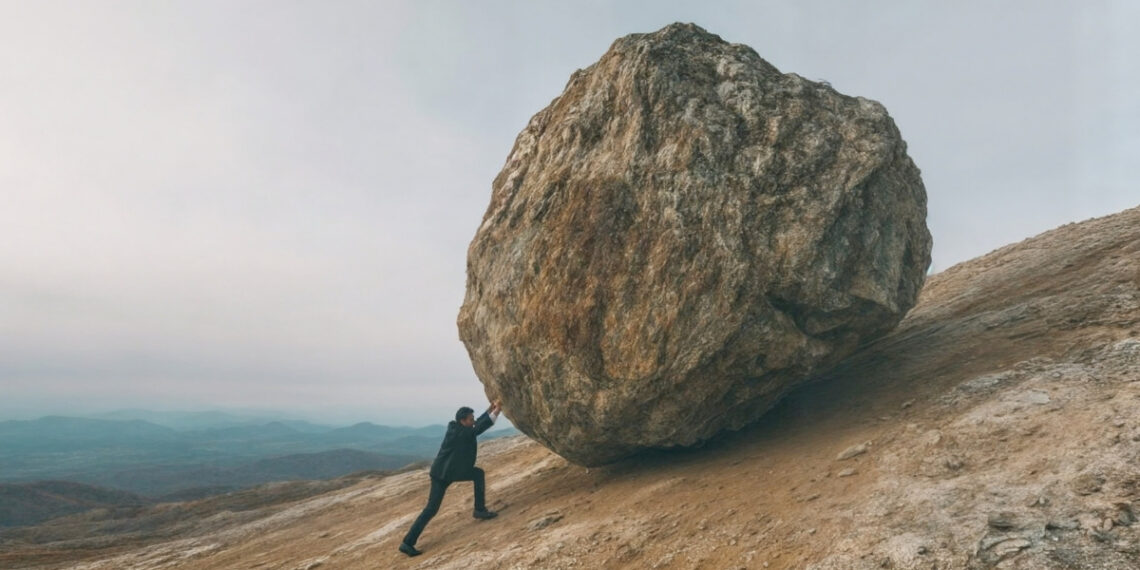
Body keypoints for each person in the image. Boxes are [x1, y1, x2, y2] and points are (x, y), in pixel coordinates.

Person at [399, 401, 502, 557]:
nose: (473, 420)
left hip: (451, 471)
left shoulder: (459, 428)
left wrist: (489, 410)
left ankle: (479, 510)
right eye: (470, 418)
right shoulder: (460, 433)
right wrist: (497, 411)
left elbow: (475, 425)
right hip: (442, 475)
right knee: (431, 509)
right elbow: (478, 428)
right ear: (463, 421)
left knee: (478, 474)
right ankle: (407, 543)